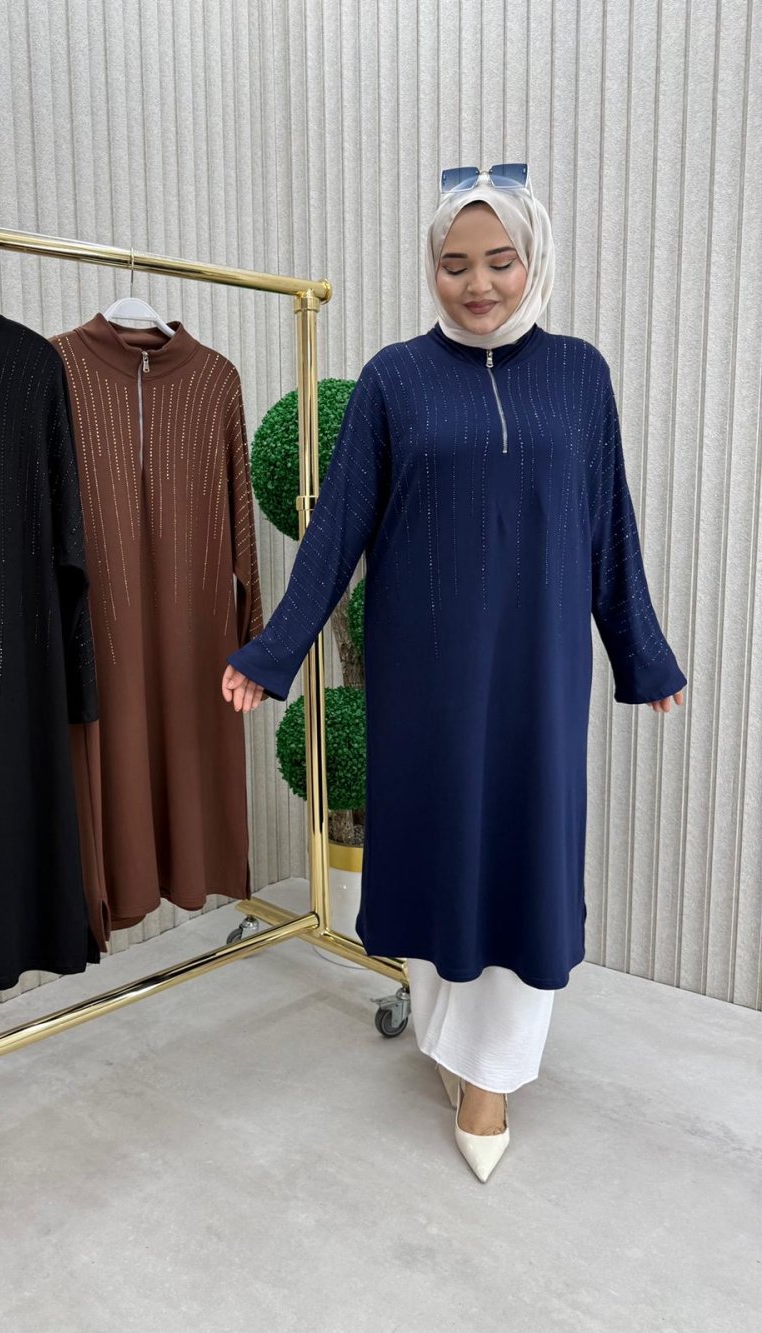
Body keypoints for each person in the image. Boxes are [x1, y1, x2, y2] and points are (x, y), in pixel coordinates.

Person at [220, 165, 686, 1182]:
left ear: (534, 260)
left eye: (500, 261)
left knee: (525, 848)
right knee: (437, 845)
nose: (478, 285)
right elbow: (337, 531)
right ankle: (448, 1038)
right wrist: (273, 651)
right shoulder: (394, 379)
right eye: (455, 264)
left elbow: (607, 525)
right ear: (431, 268)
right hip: (423, 672)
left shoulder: (579, 375)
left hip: (538, 671)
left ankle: (492, 1076)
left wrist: (641, 651)